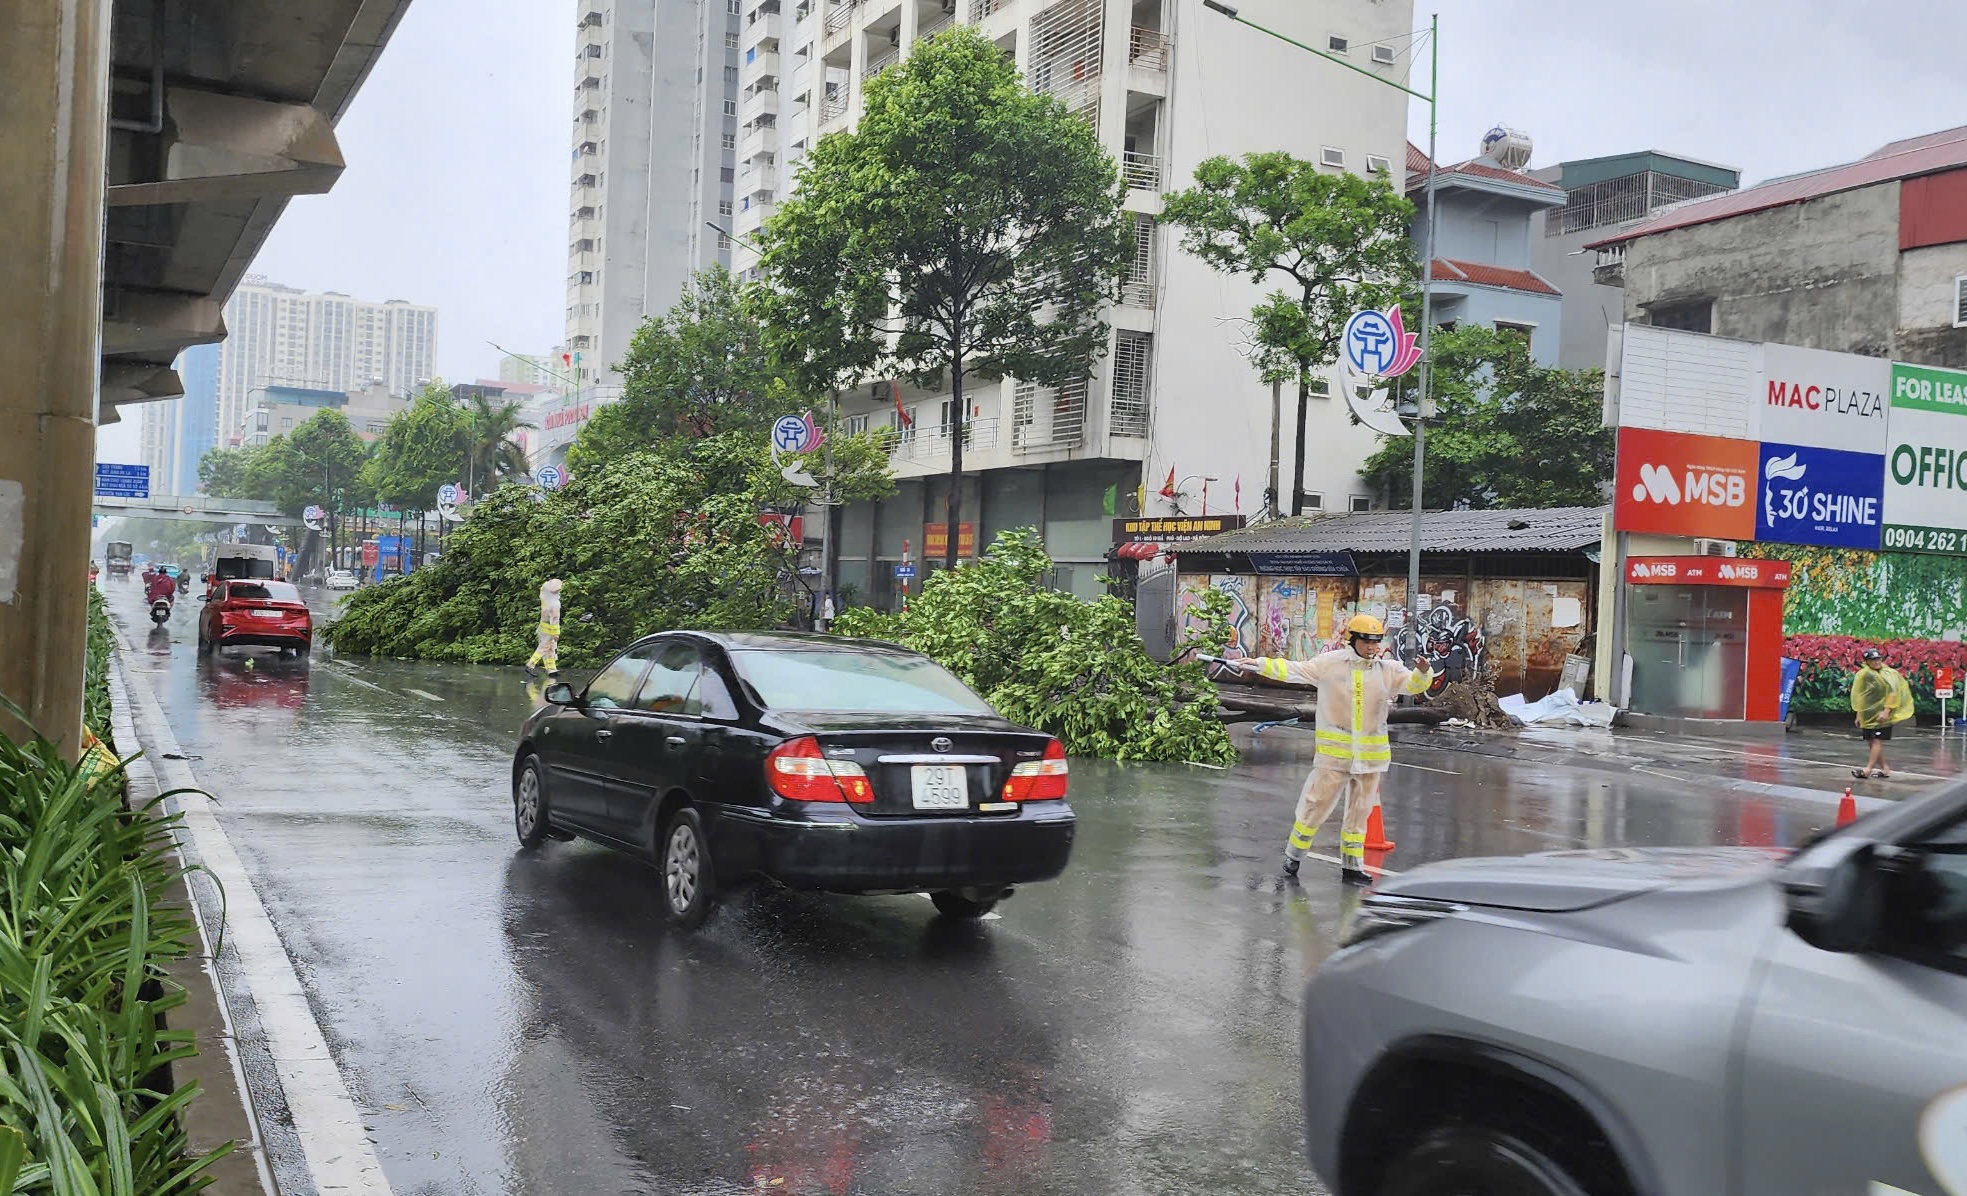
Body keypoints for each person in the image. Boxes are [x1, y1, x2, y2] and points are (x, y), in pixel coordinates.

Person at [1229, 613, 1433, 884]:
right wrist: (1258, 664)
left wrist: (1423, 671)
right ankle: (1294, 855)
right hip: (1334, 757)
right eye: (1367, 642)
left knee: (1360, 813)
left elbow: (1414, 685)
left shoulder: (1388, 669)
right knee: (1315, 806)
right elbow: (1293, 670)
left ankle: (1352, 867)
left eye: (1376, 642)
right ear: (1354, 640)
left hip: (1371, 760)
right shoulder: (1330, 664)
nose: (1373, 648)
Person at [1851, 647, 1914, 780]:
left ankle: (1868, 769)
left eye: (1878, 659)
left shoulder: (1889, 674)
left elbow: (1893, 693)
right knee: (1870, 741)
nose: (1877, 662)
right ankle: (1885, 769)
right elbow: (1861, 695)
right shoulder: (1864, 674)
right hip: (1868, 715)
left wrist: (1886, 711)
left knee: (1876, 741)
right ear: (1867, 661)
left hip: (1883, 714)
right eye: (1873, 660)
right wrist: (1859, 714)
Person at [526, 578, 563, 677]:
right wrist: (556, 633)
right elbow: (554, 619)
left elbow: (545, 585)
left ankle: (551, 669)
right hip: (549, 629)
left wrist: (550, 583)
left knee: (550, 648)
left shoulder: (544, 594)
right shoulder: (555, 604)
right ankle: (531, 664)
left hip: (543, 625)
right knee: (544, 647)